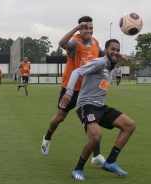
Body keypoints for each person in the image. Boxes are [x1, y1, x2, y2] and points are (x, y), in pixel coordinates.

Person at [40, 16, 131, 165]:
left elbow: (102, 54)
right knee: (60, 117)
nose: (89, 30)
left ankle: (96, 156)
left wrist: (118, 54)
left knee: (92, 119)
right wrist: (76, 28)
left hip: (89, 89)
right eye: (85, 27)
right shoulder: (74, 41)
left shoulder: (95, 42)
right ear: (80, 29)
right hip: (71, 87)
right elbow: (62, 43)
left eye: (90, 27)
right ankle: (47, 137)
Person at [59, 39, 136, 180]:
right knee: (95, 137)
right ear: (105, 50)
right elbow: (76, 72)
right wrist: (69, 92)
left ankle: (111, 162)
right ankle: (78, 169)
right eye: (112, 49)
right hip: (86, 105)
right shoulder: (100, 62)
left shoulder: (110, 65)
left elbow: (113, 55)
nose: (116, 52)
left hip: (100, 106)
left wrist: (120, 55)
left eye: (118, 50)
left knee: (129, 125)